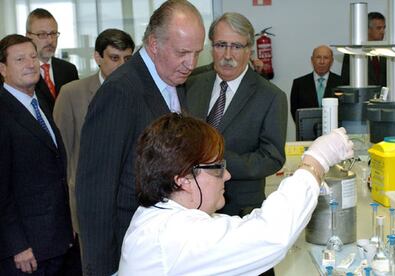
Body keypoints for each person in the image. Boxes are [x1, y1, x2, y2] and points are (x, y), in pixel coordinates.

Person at [117, 113, 354, 275]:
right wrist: (316, 161)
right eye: (218, 168)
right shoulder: (172, 236)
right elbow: (271, 235)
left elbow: (245, 230)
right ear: (183, 180)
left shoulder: (162, 216)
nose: (227, 176)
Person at [75, 1, 205, 275]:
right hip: (129, 253)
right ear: (153, 44)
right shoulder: (120, 92)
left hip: (166, 248)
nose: (191, 64)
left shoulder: (172, 80)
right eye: (182, 52)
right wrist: (102, 269)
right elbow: (95, 192)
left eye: (197, 53)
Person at [187, 12, 287, 220]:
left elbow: (272, 158)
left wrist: (215, 163)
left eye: (236, 46)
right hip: (189, 206)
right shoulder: (191, 84)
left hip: (239, 209)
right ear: (211, 46)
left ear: (249, 50)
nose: (227, 55)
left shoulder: (271, 96)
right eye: (221, 45)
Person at [52, 28, 135, 274]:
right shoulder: (72, 93)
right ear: (97, 58)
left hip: (128, 200)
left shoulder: (137, 91)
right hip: (88, 203)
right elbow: (61, 154)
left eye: (127, 59)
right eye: (114, 58)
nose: (121, 65)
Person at [0, 34, 73, 275]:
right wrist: (17, 245)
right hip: (26, 252)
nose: (31, 63)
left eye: (32, 56)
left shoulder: (39, 101)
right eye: (20, 59)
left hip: (56, 240)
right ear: (2, 69)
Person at [26, 8, 79, 114]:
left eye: (53, 33)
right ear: (28, 37)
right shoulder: (23, 71)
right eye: (42, 34)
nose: (50, 40)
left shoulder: (69, 70)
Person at [290, 45, 342, 122]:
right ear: (312, 60)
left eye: (326, 58)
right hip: (307, 131)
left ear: (331, 61)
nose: (322, 61)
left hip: (334, 130)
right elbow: (295, 111)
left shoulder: (341, 83)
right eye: (318, 57)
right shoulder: (299, 83)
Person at [341, 12, 387, 87]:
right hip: (362, 96)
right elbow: (345, 81)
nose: (382, 31)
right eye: (379, 28)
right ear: (367, 29)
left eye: (384, 28)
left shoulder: (387, 52)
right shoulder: (353, 52)